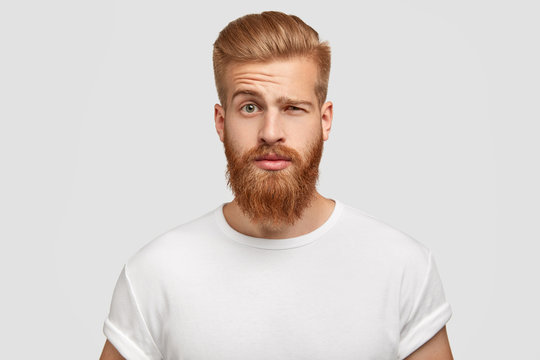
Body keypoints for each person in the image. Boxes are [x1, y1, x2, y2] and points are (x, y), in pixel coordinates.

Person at [99, 11, 453, 360]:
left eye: (293, 108)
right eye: (250, 107)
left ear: (324, 120)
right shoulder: (156, 272)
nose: (270, 132)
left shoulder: (402, 267)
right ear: (221, 122)